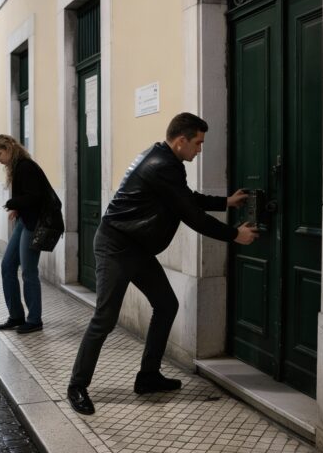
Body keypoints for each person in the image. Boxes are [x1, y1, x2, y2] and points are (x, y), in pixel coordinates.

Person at [67, 113, 259, 415]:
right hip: (117, 246)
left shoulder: (163, 158)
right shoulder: (162, 165)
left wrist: (225, 203)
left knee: (166, 304)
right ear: (181, 140)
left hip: (136, 246)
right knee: (105, 319)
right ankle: (77, 386)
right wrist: (234, 234)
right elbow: (191, 214)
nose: (199, 149)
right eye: (197, 143)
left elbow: (184, 198)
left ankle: (148, 377)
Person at [0, 134, 54, 334]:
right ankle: (16, 316)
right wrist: (17, 208)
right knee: (7, 265)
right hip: (24, 220)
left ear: (9, 149)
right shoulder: (17, 167)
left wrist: (12, 204)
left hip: (33, 223)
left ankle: (34, 320)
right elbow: (27, 196)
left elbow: (34, 197)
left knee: (28, 271)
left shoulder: (25, 166)